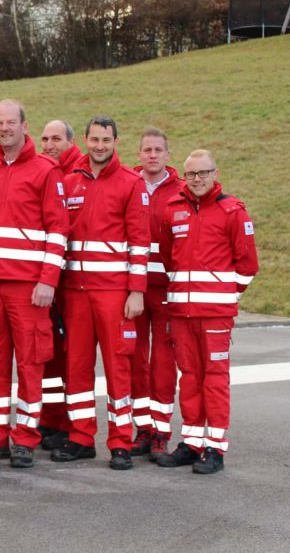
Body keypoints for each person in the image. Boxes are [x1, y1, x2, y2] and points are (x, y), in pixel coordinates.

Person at [0, 100, 68, 469]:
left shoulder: (45, 170)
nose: (4, 128)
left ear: (25, 126)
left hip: (29, 288)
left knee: (30, 363)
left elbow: (58, 228)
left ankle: (24, 438)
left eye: (11, 122)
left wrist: (48, 281)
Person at [54, 115, 149, 471]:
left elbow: (140, 242)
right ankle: (81, 437)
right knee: (76, 366)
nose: (99, 146)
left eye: (106, 140)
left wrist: (136, 291)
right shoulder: (69, 181)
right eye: (94, 139)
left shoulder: (131, 183)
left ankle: (121, 442)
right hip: (75, 292)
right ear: (85, 139)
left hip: (113, 293)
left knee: (117, 368)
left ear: (115, 142)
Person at [157, 149, 258, 474]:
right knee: (189, 377)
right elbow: (167, 256)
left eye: (203, 173)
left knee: (214, 379)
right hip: (181, 312)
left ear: (215, 173)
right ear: (184, 176)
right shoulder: (173, 210)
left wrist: (226, 295)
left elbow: (248, 265)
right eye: (191, 174)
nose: (197, 179)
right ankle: (191, 442)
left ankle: (215, 448)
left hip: (215, 314)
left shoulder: (233, 211)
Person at [131, 128, 183, 460]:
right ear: (139, 154)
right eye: (147, 150)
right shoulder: (128, 184)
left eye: (158, 150)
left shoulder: (181, 190)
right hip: (133, 290)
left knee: (163, 363)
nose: (152, 155)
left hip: (165, 290)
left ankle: (161, 432)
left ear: (167, 154)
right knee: (135, 359)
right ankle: (142, 429)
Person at [36, 119, 79, 450]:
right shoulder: (42, 171)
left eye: (56, 139)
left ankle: (70, 423)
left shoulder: (80, 174)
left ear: (70, 142)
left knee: (71, 357)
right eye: (45, 139)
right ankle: (51, 419)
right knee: (48, 355)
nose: (49, 145)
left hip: (74, 283)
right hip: (48, 280)